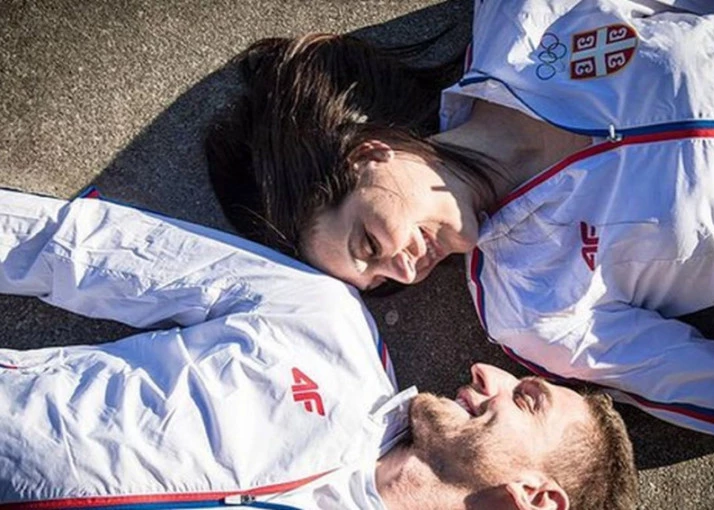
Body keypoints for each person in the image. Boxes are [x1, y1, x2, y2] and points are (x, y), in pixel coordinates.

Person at [206, 0, 714, 440]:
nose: (405, 272)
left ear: (368, 154)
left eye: (370, 244)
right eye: (379, 281)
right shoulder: (529, 307)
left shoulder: (521, 21)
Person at [0, 189, 636, 510]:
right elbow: (90, 246)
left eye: (528, 400)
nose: (486, 370)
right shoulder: (327, 325)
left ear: (536, 497)